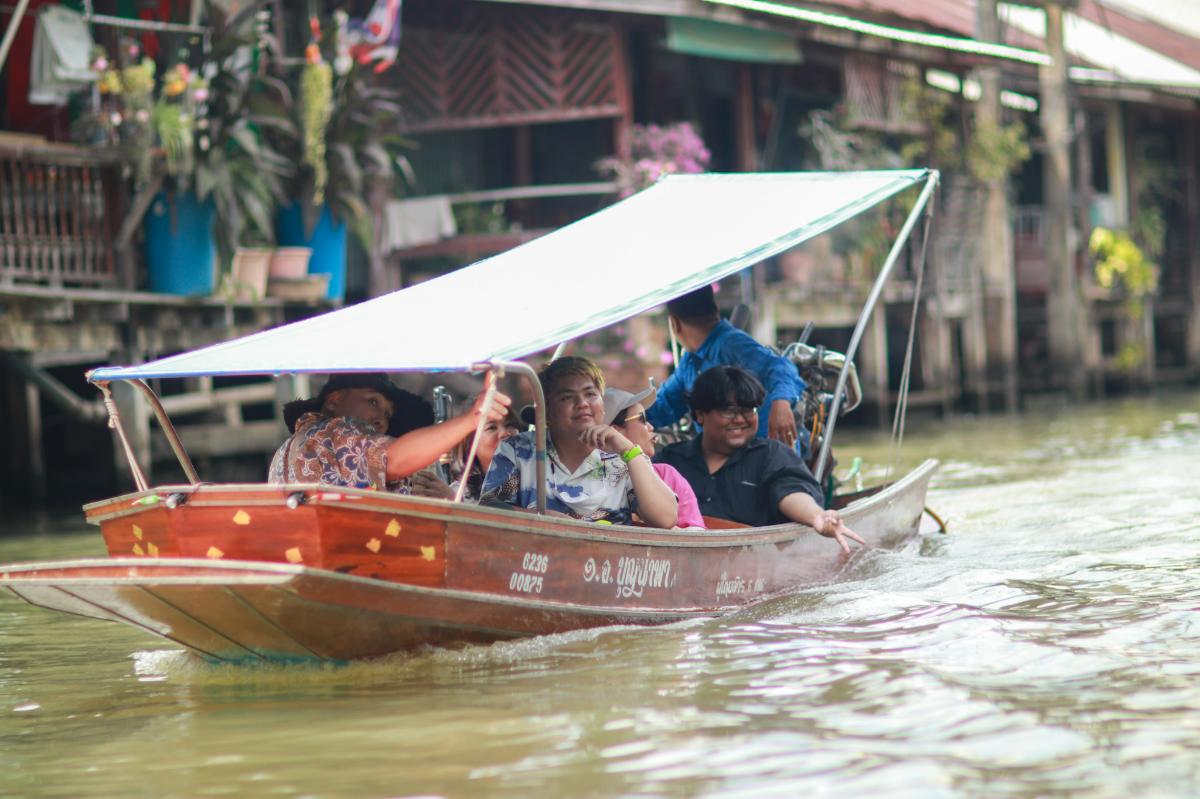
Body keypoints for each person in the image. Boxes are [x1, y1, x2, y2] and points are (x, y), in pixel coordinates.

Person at [654, 365, 863, 554]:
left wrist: (818, 516)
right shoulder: (671, 460)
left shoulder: (771, 455)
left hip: (753, 563)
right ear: (700, 415)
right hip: (681, 558)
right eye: (729, 411)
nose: (740, 419)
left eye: (748, 410)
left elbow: (791, 491)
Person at [480, 356, 678, 528]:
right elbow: (488, 506)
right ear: (546, 412)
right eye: (567, 397)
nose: (582, 403)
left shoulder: (623, 456)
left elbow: (665, 519)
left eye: (590, 394)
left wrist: (629, 450)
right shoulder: (517, 449)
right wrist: (542, 518)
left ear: (602, 405)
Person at [269, 373, 512, 492]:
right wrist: (470, 420)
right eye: (372, 402)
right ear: (333, 400)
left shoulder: (288, 448)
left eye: (387, 414)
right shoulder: (338, 431)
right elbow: (392, 458)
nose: (381, 421)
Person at [646, 284, 805, 450]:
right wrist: (628, 415)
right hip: (723, 461)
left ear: (675, 324)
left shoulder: (732, 344)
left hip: (766, 457)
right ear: (715, 309)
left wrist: (781, 403)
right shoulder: (690, 363)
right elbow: (664, 405)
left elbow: (780, 366)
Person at [605, 385, 706, 530]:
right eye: (643, 419)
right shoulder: (594, 479)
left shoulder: (666, 474)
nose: (651, 426)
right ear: (614, 432)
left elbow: (698, 536)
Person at [410, 403, 523, 501]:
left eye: (510, 425)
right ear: (471, 444)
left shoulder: (537, 483)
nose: (504, 433)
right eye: (492, 428)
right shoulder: (458, 493)